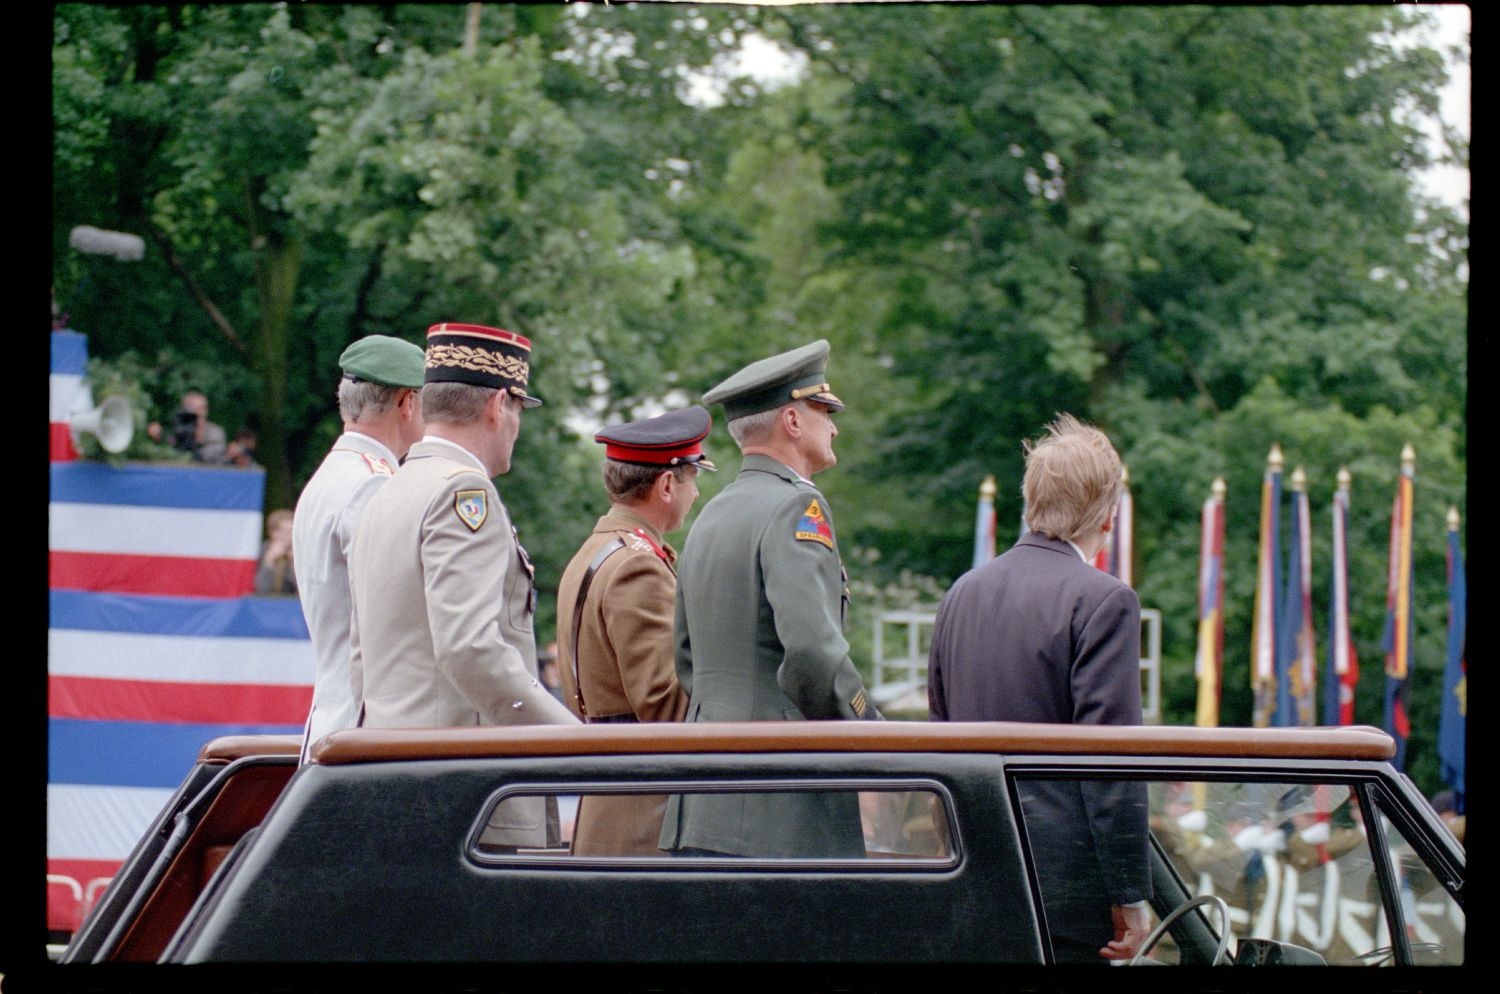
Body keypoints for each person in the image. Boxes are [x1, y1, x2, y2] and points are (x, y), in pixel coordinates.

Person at [927, 413, 1150, 962]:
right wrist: (1130, 893)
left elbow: (937, 732)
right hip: (1062, 897)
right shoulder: (1104, 601)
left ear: (1032, 500)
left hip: (967, 870)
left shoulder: (962, 592)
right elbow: (1111, 762)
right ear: (1108, 513)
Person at [347, 322, 580, 849]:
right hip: (464, 797)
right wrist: (569, 739)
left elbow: (362, 659)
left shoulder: (389, 489)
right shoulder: (462, 492)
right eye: (519, 410)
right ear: (499, 405)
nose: (516, 425)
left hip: (395, 781)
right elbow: (470, 648)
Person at [660, 340, 881, 861]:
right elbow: (813, 653)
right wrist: (868, 725)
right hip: (778, 803)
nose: (835, 426)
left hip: (703, 794)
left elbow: (687, 659)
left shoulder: (711, 513)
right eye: (824, 410)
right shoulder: (797, 505)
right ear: (792, 421)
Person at [556, 406, 714, 854]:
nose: (696, 494)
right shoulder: (638, 565)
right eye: (692, 479)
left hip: (612, 792)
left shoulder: (598, 550)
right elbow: (666, 706)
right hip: (643, 810)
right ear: (667, 485)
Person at [291, 335, 426, 762]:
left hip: (338, 719)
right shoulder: (375, 484)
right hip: (365, 729)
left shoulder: (334, 474)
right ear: (407, 402)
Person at [148, 390, 228, 463]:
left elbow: (212, 455)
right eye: (191, 410)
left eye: (199, 409)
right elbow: (166, 450)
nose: (196, 414)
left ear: (206, 410)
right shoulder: (178, 429)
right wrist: (159, 436)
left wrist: (198, 440)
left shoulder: (215, 432)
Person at [254, 508, 297, 596]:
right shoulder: (261, 550)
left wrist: (295, 564)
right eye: (287, 532)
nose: (292, 536)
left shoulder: (300, 552)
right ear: (274, 533)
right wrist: (269, 561)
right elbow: (261, 588)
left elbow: (303, 590)